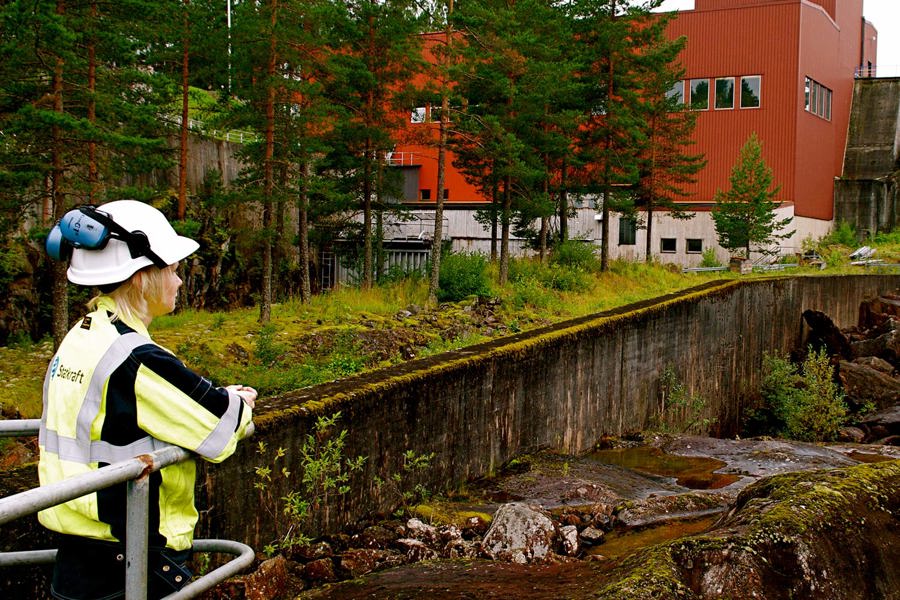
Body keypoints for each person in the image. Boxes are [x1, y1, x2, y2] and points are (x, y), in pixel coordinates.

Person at [38, 200, 256, 600]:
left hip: (77, 559)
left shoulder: (82, 336)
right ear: (142, 278)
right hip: (128, 562)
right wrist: (240, 401)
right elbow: (220, 426)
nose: (178, 281)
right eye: (171, 270)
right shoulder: (134, 357)